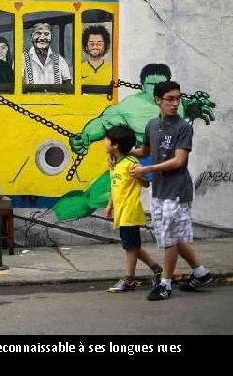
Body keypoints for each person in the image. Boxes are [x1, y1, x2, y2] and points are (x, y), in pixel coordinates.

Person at [53, 63, 215, 221]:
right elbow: (103, 123)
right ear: (143, 85)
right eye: (152, 84)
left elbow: (191, 109)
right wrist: (85, 137)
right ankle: (57, 214)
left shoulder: (178, 104)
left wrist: (196, 109)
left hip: (169, 164)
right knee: (97, 195)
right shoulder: (130, 107)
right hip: (143, 158)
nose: (157, 88)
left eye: (162, 84)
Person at [130, 81, 212, 301]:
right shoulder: (151, 125)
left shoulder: (183, 127)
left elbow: (178, 161)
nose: (175, 103)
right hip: (159, 190)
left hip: (177, 191)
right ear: (158, 100)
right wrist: (122, 151)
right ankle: (201, 273)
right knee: (170, 237)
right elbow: (145, 150)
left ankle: (165, 284)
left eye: (178, 98)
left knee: (170, 238)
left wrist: (147, 168)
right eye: (170, 99)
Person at [103, 124, 162, 293]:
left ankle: (129, 279)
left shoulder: (131, 163)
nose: (104, 142)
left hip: (130, 211)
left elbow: (145, 182)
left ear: (115, 145)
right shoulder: (114, 162)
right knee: (132, 246)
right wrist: (110, 205)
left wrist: (140, 175)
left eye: (107, 140)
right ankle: (157, 269)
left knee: (130, 247)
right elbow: (116, 186)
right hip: (121, 211)